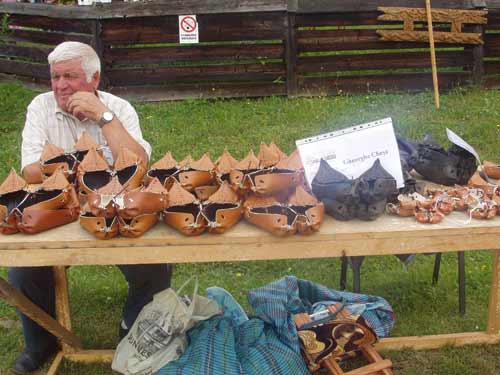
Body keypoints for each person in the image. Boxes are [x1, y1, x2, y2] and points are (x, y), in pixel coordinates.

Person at [8, 41, 172, 374]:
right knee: (24, 272)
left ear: (94, 79)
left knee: (154, 266)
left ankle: (131, 332)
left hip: (116, 210)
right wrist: (86, 167)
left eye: (70, 76)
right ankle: (41, 343)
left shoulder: (119, 109)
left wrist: (104, 119)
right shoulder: (40, 108)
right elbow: (30, 171)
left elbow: (138, 163)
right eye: (55, 77)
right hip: (55, 211)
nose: (60, 86)